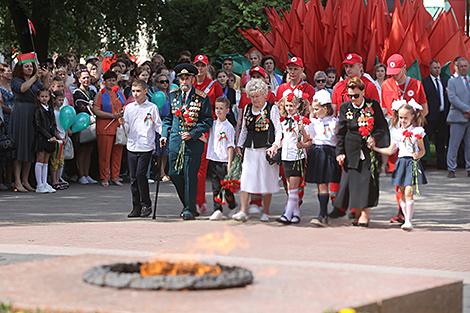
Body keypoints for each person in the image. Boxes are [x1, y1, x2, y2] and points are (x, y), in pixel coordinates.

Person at [160, 63, 213, 220]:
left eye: (187, 78)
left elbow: (207, 120)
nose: (184, 81)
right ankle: (187, 204)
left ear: (193, 79)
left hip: (193, 141)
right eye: (181, 78)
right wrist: (164, 134)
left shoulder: (201, 97)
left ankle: (189, 208)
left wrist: (193, 133)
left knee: (190, 174)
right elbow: (168, 118)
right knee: (174, 173)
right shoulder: (173, 95)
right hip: (175, 140)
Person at [334, 77, 389, 227]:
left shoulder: (373, 106)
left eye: (356, 95)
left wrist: (375, 138)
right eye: (350, 96)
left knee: (368, 181)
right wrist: (340, 152)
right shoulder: (345, 108)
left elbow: (382, 127)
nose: (353, 99)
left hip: (369, 149)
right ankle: (356, 211)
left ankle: (365, 213)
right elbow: (341, 132)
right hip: (351, 149)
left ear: (363, 92)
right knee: (354, 182)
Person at [381, 53, 428, 223]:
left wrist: (412, 126)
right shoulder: (386, 85)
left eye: (397, 71)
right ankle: (400, 211)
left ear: (404, 68)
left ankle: (406, 211)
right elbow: (386, 110)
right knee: (396, 172)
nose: (394, 75)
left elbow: (425, 109)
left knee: (409, 174)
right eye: (391, 71)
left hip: (412, 138)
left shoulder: (416, 85)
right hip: (396, 134)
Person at [371, 99, 427, 231]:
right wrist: (376, 149)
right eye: (401, 117)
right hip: (401, 162)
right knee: (401, 192)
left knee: (409, 191)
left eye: (406, 118)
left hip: (411, 162)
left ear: (413, 117)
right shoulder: (397, 132)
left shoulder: (418, 131)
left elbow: (423, 150)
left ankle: (408, 221)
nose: (402, 120)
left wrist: (417, 155)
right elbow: (391, 150)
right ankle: (406, 217)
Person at [232, 79, 282, 222]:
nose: (254, 99)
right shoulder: (247, 108)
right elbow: (244, 130)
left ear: (265, 95)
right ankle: (243, 210)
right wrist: (239, 145)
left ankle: (265, 212)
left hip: (266, 151)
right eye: (252, 96)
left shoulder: (272, 109)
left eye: (257, 96)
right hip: (250, 149)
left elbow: (279, 130)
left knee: (267, 181)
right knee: (246, 180)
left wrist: (275, 145)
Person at [10, 54, 50, 192]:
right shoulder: (16, 80)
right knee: (20, 146)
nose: (29, 68)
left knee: (30, 146)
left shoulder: (36, 81)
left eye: (31, 66)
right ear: (21, 68)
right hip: (20, 113)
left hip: (33, 113)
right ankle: (17, 180)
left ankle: (26, 180)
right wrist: (34, 77)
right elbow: (22, 88)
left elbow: (44, 91)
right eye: (26, 66)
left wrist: (45, 76)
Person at [124, 79, 162, 218]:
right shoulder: (129, 108)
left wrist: (162, 135)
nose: (135, 94)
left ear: (145, 91)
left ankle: (146, 203)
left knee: (141, 175)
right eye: (133, 91)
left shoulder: (151, 108)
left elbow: (158, 125)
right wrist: (122, 124)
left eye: (138, 91)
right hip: (132, 145)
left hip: (146, 145)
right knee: (133, 178)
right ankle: (136, 206)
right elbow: (126, 127)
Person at [193, 54, 223, 214]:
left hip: (208, 129)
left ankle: (206, 203)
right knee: (194, 167)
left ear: (207, 66)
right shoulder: (189, 83)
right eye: (197, 65)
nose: (199, 69)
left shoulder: (214, 85)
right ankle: (197, 201)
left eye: (202, 65)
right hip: (191, 127)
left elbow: (223, 105)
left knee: (206, 167)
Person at [305, 90, 341, 226]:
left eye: (316, 109)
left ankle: (332, 210)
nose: (314, 111)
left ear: (325, 108)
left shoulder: (334, 122)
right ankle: (322, 213)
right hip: (317, 151)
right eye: (313, 109)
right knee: (321, 184)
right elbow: (310, 136)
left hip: (329, 152)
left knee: (329, 184)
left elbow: (337, 138)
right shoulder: (314, 122)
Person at [276, 94, 312, 225]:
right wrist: (274, 147)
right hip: (286, 156)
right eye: (287, 105)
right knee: (290, 186)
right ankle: (296, 213)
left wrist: (303, 143)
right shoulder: (283, 121)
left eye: (291, 105)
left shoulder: (303, 121)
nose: (289, 108)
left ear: (297, 106)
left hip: (298, 157)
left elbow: (309, 141)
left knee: (294, 187)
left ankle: (287, 214)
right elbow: (280, 138)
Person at [93, 71, 125, 187]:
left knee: (118, 153)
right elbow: (95, 110)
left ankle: (115, 176)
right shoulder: (100, 94)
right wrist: (111, 116)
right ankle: (104, 177)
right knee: (104, 154)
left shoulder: (119, 93)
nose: (111, 82)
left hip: (118, 127)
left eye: (113, 80)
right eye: (109, 80)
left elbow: (124, 106)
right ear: (104, 81)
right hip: (105, 127)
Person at [207, 97, 237, 220]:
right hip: (213, 159)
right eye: (217, 108)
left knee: (227, 188)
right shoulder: (212, 125)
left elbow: (230, 146)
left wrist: (230, 164)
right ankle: (217, 209)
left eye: (221, 109)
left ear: (227, 110)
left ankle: (233, 205)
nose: (218, 111)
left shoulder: (229, 127)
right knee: (215, 187)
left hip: (223, 161)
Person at [422, 60, 450, 170]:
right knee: (425, 139)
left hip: (443, 115)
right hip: (430, 116)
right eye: (435, 68)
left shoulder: (445, 81)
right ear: (430, 69)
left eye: (438, 68)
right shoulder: (425, 82)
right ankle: (423, 162)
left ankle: (441, 163)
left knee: (441, 140)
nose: (437, 70)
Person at [446, 56, 470, 178]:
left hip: (469, 118)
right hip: (457, 117)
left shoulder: (469, 80)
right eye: (461, 66)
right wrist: (467, 109)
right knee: (454, 144)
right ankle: (451, 168)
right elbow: (453, 98)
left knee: (469, 145)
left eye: (466, 66)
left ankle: (469, 168)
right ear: (457, 67)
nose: (464, 68)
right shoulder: (452, 81)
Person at [73, 68, 98, 185]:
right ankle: (81, 174)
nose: (86, 80)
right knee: (82, 150)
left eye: (88, 77)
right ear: (79, 79)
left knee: (89, 149)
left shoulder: (92, 92)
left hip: (92, 123)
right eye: (84, 78)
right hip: (82, 123)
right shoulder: (77, 92)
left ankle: (87, 174)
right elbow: (80, 107)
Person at [34, 88, 58, 193]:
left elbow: (52, 124)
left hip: (50, 138)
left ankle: (44, 183)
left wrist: (54, 135)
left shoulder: (50, 108)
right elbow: (38, 126)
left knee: (46, 161)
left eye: (46, 96)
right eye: (42, 96)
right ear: (38, 97)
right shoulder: (38, 109)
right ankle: (39, 184)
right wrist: (48, 136)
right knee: (40, 159)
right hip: (41, 138)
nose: (44, 98)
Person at [50, 90, 69, 190]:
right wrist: (59, 137)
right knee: (55, 160)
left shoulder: (63, 111)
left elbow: (66, 125)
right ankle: (54, 180)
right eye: (59, 100)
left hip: (63, 138)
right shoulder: (53, 112)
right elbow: (53, 127)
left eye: (62, 100)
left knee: (61, 161)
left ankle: (58, 179)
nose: (61, 102)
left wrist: (65, 137)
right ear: (54, 100)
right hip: (57, 139)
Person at [0, 63, 14, 190]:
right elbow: (1, 105)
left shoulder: (12, 86)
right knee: (4, 149)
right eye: (7, 71)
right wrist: (11, 111)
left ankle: (10, 179)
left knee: (12, 150)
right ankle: (2, 179)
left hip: (15, 120)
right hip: (5, 119)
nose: (10, 73)